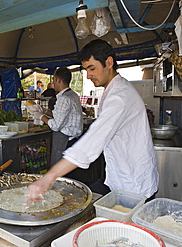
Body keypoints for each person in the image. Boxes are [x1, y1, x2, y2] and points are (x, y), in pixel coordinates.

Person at [27, 39, 158, 204]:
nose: (88, 76)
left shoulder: (120, 96)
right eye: (86, 70)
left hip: (134, 185)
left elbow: (94, 139)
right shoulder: (112, 90)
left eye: (92, 68)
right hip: (122, 179)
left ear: (108, 63)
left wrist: (49, 177)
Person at [32, 67, 83, 166]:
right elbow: (61, 115)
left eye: (53, 80)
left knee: (60, 172)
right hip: (73, 140)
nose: (53, 83)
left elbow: (56, 125)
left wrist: (41, 116)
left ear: (58, 80)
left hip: (66, 141)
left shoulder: (64, 98)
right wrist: (45, 111)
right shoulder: (73, 95)